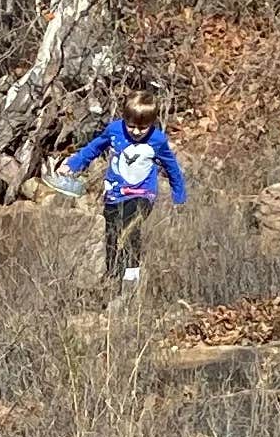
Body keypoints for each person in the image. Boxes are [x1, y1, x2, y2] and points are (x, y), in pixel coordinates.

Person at [56, 78, 187, 285]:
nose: (136, 132)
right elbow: (93, 148)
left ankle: (132, 274)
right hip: (114, 193)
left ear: (151, 124)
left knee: (131, 225)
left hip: (142, 194)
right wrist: (72, 165)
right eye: (132, 126)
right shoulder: (115, 130)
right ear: (124, 119)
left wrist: (179, 195)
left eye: (142, 128)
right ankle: (112, 275)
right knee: (112, 233)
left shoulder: (158, 140)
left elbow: (172, 168)